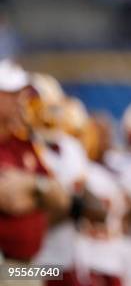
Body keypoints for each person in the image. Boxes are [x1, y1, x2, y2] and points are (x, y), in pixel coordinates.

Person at [0, 60, 70, 286]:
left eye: (21, 92)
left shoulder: (22, 143)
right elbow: (9, 199)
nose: (20, 98)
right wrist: (40, 192)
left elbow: (61, 199)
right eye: (11, 93)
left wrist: (33, 186)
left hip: (28, 266)